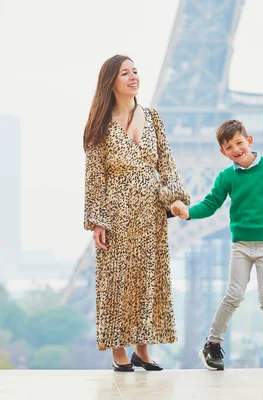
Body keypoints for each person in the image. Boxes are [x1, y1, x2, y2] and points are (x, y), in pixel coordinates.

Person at [171, 119, 263, 371]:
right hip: (241, 245)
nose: (235, 149)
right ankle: (212, 344)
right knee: (234, 295)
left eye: (239, 142)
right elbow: (211, 204)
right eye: (229, 146)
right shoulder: (226, 177)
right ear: (223, 152)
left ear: (249, 141)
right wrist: (188, 213)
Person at [83, 54, 190, 372]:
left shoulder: (154, 118)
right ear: (111, 82)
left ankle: (142, 350)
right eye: (124, 73)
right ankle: (119, 350)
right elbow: (94, 177)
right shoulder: (99, 125)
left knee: (147, 280)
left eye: (135, 71)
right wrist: (96, 220)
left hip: (150, 212)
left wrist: (175, 200)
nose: (133, 77)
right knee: (115, 283)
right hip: (116, 213)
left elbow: (167, 165)